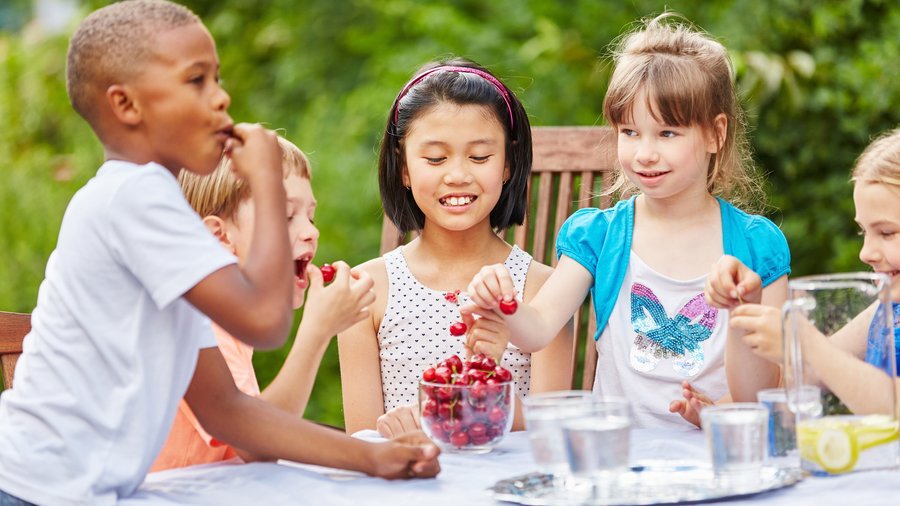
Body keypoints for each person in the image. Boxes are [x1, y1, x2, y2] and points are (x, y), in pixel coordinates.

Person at [0, 2, 437, 505]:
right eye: (196, 81)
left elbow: (228, 411)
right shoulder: (135, 198)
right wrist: (266, 183)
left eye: (217, 78)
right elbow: (266, 321)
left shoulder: (160, 231)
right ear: (127, 105)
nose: (221, 96)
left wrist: (371, 458)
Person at [464, 13, 791, 430]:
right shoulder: (601, 236)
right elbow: (538, 329)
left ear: (715, 133)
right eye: (630, 131)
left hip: (719, 458)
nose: (645, 153)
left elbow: (766, 388)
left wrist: (715, 412)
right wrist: (503, 304)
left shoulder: (756, 247)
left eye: (667, 133)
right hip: (618, 460)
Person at [338, 57, 574, 437]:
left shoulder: (544, 290)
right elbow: (363, 437)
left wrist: (461, 405)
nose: (459, 175)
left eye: (480, 157)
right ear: (404, 169)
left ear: (508, 164)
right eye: (435, 158)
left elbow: (552, 423)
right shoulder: (365, 289)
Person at [151, 136, 375, 471]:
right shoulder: (197, 318)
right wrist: (317, 332)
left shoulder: (228, 321)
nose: (311, 232)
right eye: (286, 217)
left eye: (310, 217)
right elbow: (260, 442)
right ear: (219, 237)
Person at [706, 128, 900, 414]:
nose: (865, 253)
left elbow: (892, 406)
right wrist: (744, 308)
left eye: (886, 232)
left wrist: (807, 342)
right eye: (863, 233)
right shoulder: (885, 312)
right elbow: (788, 386)